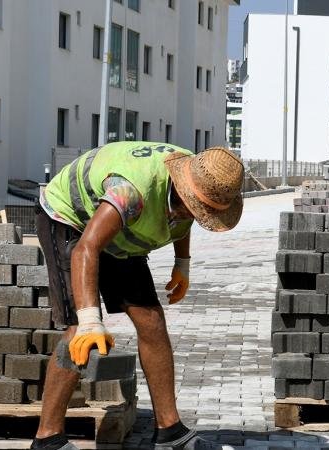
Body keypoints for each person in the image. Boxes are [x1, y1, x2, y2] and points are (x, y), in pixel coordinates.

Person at [32, 142, 244, 450]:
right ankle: (47, 439)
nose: (196, 216)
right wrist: (92, 320)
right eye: (195, 208)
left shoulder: (200, 177)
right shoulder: (130, 192)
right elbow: (86, 250)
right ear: (181, 189)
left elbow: (184, 220)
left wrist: (182, 263)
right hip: (70, 220)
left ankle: (170, 432)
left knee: (151, 322)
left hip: (121, 229)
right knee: (79, 331)